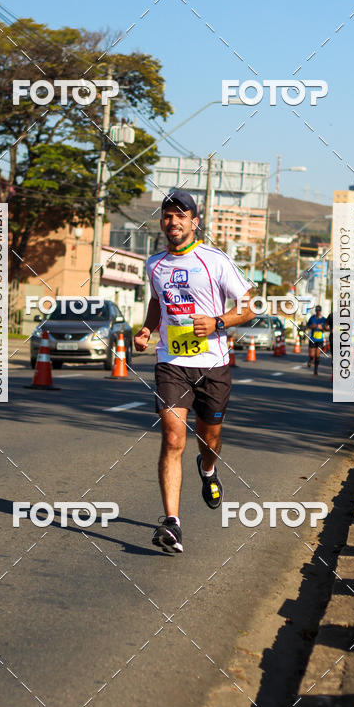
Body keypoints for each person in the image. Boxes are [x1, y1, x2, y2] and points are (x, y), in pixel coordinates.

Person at [134, 190, 256, 554]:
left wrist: (218, 322)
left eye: (180, 215)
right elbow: (157, 301)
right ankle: (171, 523)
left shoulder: (215, 261)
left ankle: (208, 469)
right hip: (171, 364)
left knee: (209, 439)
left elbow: (250, 305)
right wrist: (147, 329)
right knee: (173, 438)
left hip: (213, 365)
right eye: (167, 215)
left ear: (194, 222)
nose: (173, 221)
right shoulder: (154, 265)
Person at [306, 305, 326, 374]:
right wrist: (312, 326)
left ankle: (315, 370)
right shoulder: (312, 318)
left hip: (320, 340)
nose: (318, 312)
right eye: (317, 311)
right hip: (312, 339)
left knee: (317, 355)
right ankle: (310, 359)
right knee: (312, 355)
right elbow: (307, 326)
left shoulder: (324, 319)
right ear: (315, 311)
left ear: (321, 311)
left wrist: (322, 328)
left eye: (319, 311)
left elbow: (327, 329)